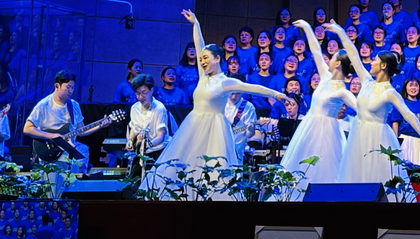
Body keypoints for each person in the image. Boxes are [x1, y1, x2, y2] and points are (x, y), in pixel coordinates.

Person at [143, 10, 287, 200]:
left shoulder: (225, 82)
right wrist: (196, 24)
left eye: (206, 58)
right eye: (201, 59)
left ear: (217, 58)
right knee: (187, 164)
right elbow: (199, 45)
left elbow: (252, 88)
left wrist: (276, 94)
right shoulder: (203, 77)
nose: (202, 61)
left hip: (215, 129)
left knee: (213, 168)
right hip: (193, 126)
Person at [326, 21, 420, 196]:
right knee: (356, 173)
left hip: (378, 137)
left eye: (375, 61)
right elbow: (353, 54)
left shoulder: (390, 92)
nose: (371, 62)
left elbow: (408, 115)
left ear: (383, 66)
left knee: (378, 176)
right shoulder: (366, 81)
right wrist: (340, 31)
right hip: (358, 134)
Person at [278, 20, 356, 199]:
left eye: (333, 57)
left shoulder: (343, 91)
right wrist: (307, 27)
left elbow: (362, 108)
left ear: (338, 64)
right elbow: (315, 51)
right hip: (309, 127)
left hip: (328, 133)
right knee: (301, 166)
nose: (329, 59)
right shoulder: (325, 76)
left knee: (325, 168)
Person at [24, 70, 111, 175]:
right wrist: (52, 136)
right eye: (68, 87)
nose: (70, 91)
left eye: (72, 87)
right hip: (50, 153)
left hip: (69, 155)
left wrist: (100, 126)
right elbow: (27, 128)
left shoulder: (74, 105)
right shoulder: (44, 105)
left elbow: (81, 131)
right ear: (57, 86)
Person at [126, 73, 171, 178]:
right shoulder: (134, 108)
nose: (140, 97)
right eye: (137, 93)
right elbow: (134, 128)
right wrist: (130, 140)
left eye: (144, 93)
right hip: (141, 151)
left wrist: (147, 145)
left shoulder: (159, 108)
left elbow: (161, 135)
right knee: (133, 181)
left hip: (158, 150)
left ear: (151, 90)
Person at [390, 78, 420, 166]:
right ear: (405, 88)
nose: (413, 88)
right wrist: (395, 140)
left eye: (416, 85)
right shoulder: (400, 103)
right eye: (410, 85)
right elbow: (395, 123)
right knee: (404, 166)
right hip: (405, 138)